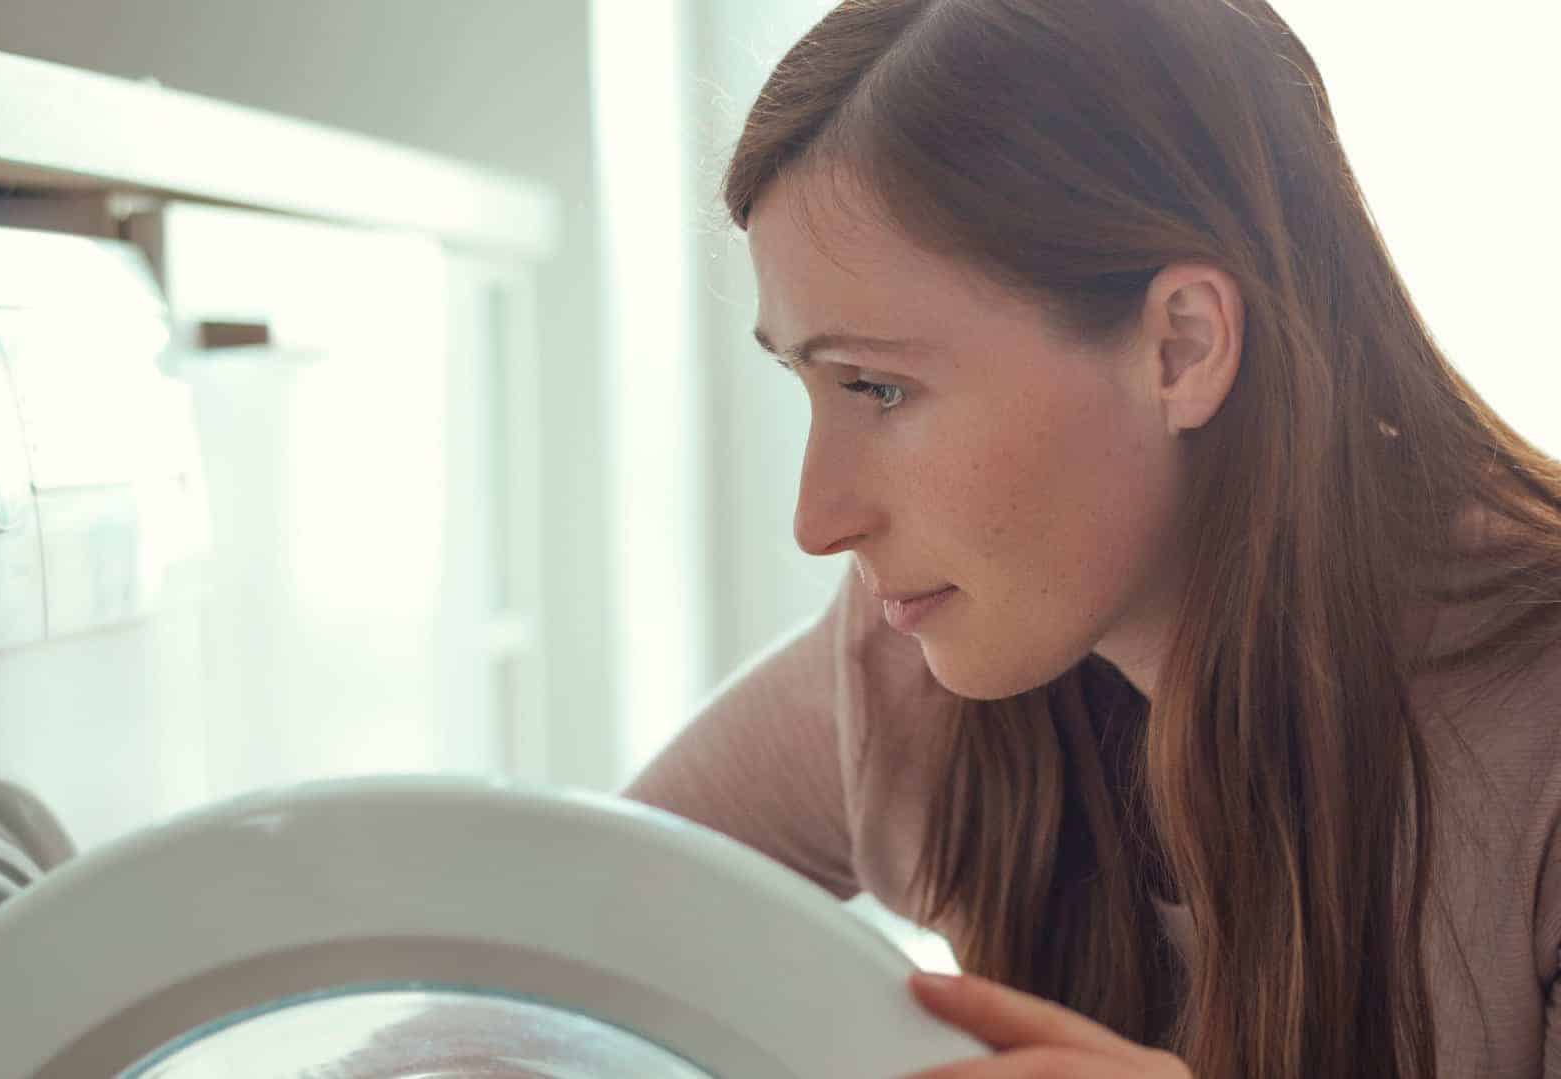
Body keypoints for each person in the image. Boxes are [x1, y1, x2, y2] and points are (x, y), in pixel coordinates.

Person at [621, 1, 1561, 1076]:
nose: (816, 519)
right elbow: (506, 972)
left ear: (1182, 346)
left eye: (878, 386)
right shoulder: (912, 668)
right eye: (808, 384)